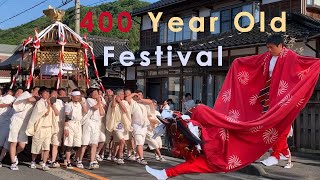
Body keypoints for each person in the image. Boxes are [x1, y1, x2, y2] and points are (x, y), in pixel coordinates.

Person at [145, 34, 320, 179]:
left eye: (272, 48)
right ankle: (165, 173)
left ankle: (278, 153)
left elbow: (305, 64)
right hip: (220, 152)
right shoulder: (267, 57)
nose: (269, 51)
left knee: (276, 123)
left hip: (277, 98)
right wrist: (238, 63)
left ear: (281, 46)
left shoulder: (289, 57)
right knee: (271, 126)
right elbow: (253, 61)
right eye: (267, 48)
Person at [26, 87, 57, 171]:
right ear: (41, 94)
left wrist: (51, 104)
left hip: (48, 127)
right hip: (40, 127)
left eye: (48, 93)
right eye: (44, 93)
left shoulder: (49, 102)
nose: (47, 94)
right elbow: (46, 113)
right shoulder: (39, 103)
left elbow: (56, 114)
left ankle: (44, 163)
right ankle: (33, 161)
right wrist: (49, 105)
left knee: (46, 147)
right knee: (36, 146)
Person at [8, 86, 39, 170]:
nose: (37, 93)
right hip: (16, 119)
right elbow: (30, 99)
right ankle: (13, 163)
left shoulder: (36, 100)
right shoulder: (26, 94)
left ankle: (13, 154)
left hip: (25, 122)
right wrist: (41, 98)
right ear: (32, 90)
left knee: (22, 145)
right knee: (13, 141)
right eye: (36, 91)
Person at [78, 88, 105, 170]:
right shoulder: (89, 100)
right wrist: (99, 101)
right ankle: (79, 160)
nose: (97, 94)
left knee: (94, 143)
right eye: (95, 92)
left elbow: (102, 113)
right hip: (89, 122)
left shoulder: (98, 101)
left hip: (96, 123)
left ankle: (92, 161)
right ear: (90, 94)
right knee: (85, 143)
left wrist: (99, 103)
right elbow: (95, 108)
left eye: (97, 92)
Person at [126, 90, 153, 165]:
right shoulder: (133, 103)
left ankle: (138, 156)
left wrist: (141, 99)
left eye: (140, 95)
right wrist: (134, 94)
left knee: (141, 142)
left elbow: (150, 101)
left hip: (144, 126)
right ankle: (142, 158)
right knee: (139, 142)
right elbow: (127, 99)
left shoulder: (144, 104)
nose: (139, 96)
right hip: (136, 125)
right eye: (137, 95)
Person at [106, 89, 132, 165]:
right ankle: (120, 157)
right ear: (118, 95)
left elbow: (125, 110)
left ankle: (113, 156)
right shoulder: (112, 102)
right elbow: (113, 106)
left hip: (123, 124)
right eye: (122, 94)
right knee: (122, 141)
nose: (123, 96)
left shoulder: (124, 102)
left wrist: (120, 102)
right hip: (116, 124)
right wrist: (114, 99)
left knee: (117, 142)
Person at [64, 89, 87, 169]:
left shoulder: (80, 104)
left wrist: (82, 103)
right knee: (69, 144)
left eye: (79, 96)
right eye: (76, 96)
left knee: (77, 144)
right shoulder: (69, 105)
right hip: (70, 124)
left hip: (78, 124)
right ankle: (68, 161)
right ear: (72, 97)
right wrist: (66, 128)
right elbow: (66, 116)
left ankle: (76, 159)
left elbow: (85, 111)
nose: (77, 97)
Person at [49, 89, 65, 168]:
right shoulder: (47, 101)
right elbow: (56, 112)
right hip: (49, 124)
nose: (55, 95)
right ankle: (44, 158)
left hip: (59, 124)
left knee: (56, 143)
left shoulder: (60, 102)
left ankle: (53, 160)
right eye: (53, 93)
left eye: (56, 93)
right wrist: (52, 104)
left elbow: (62, 114)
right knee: (47, 143)